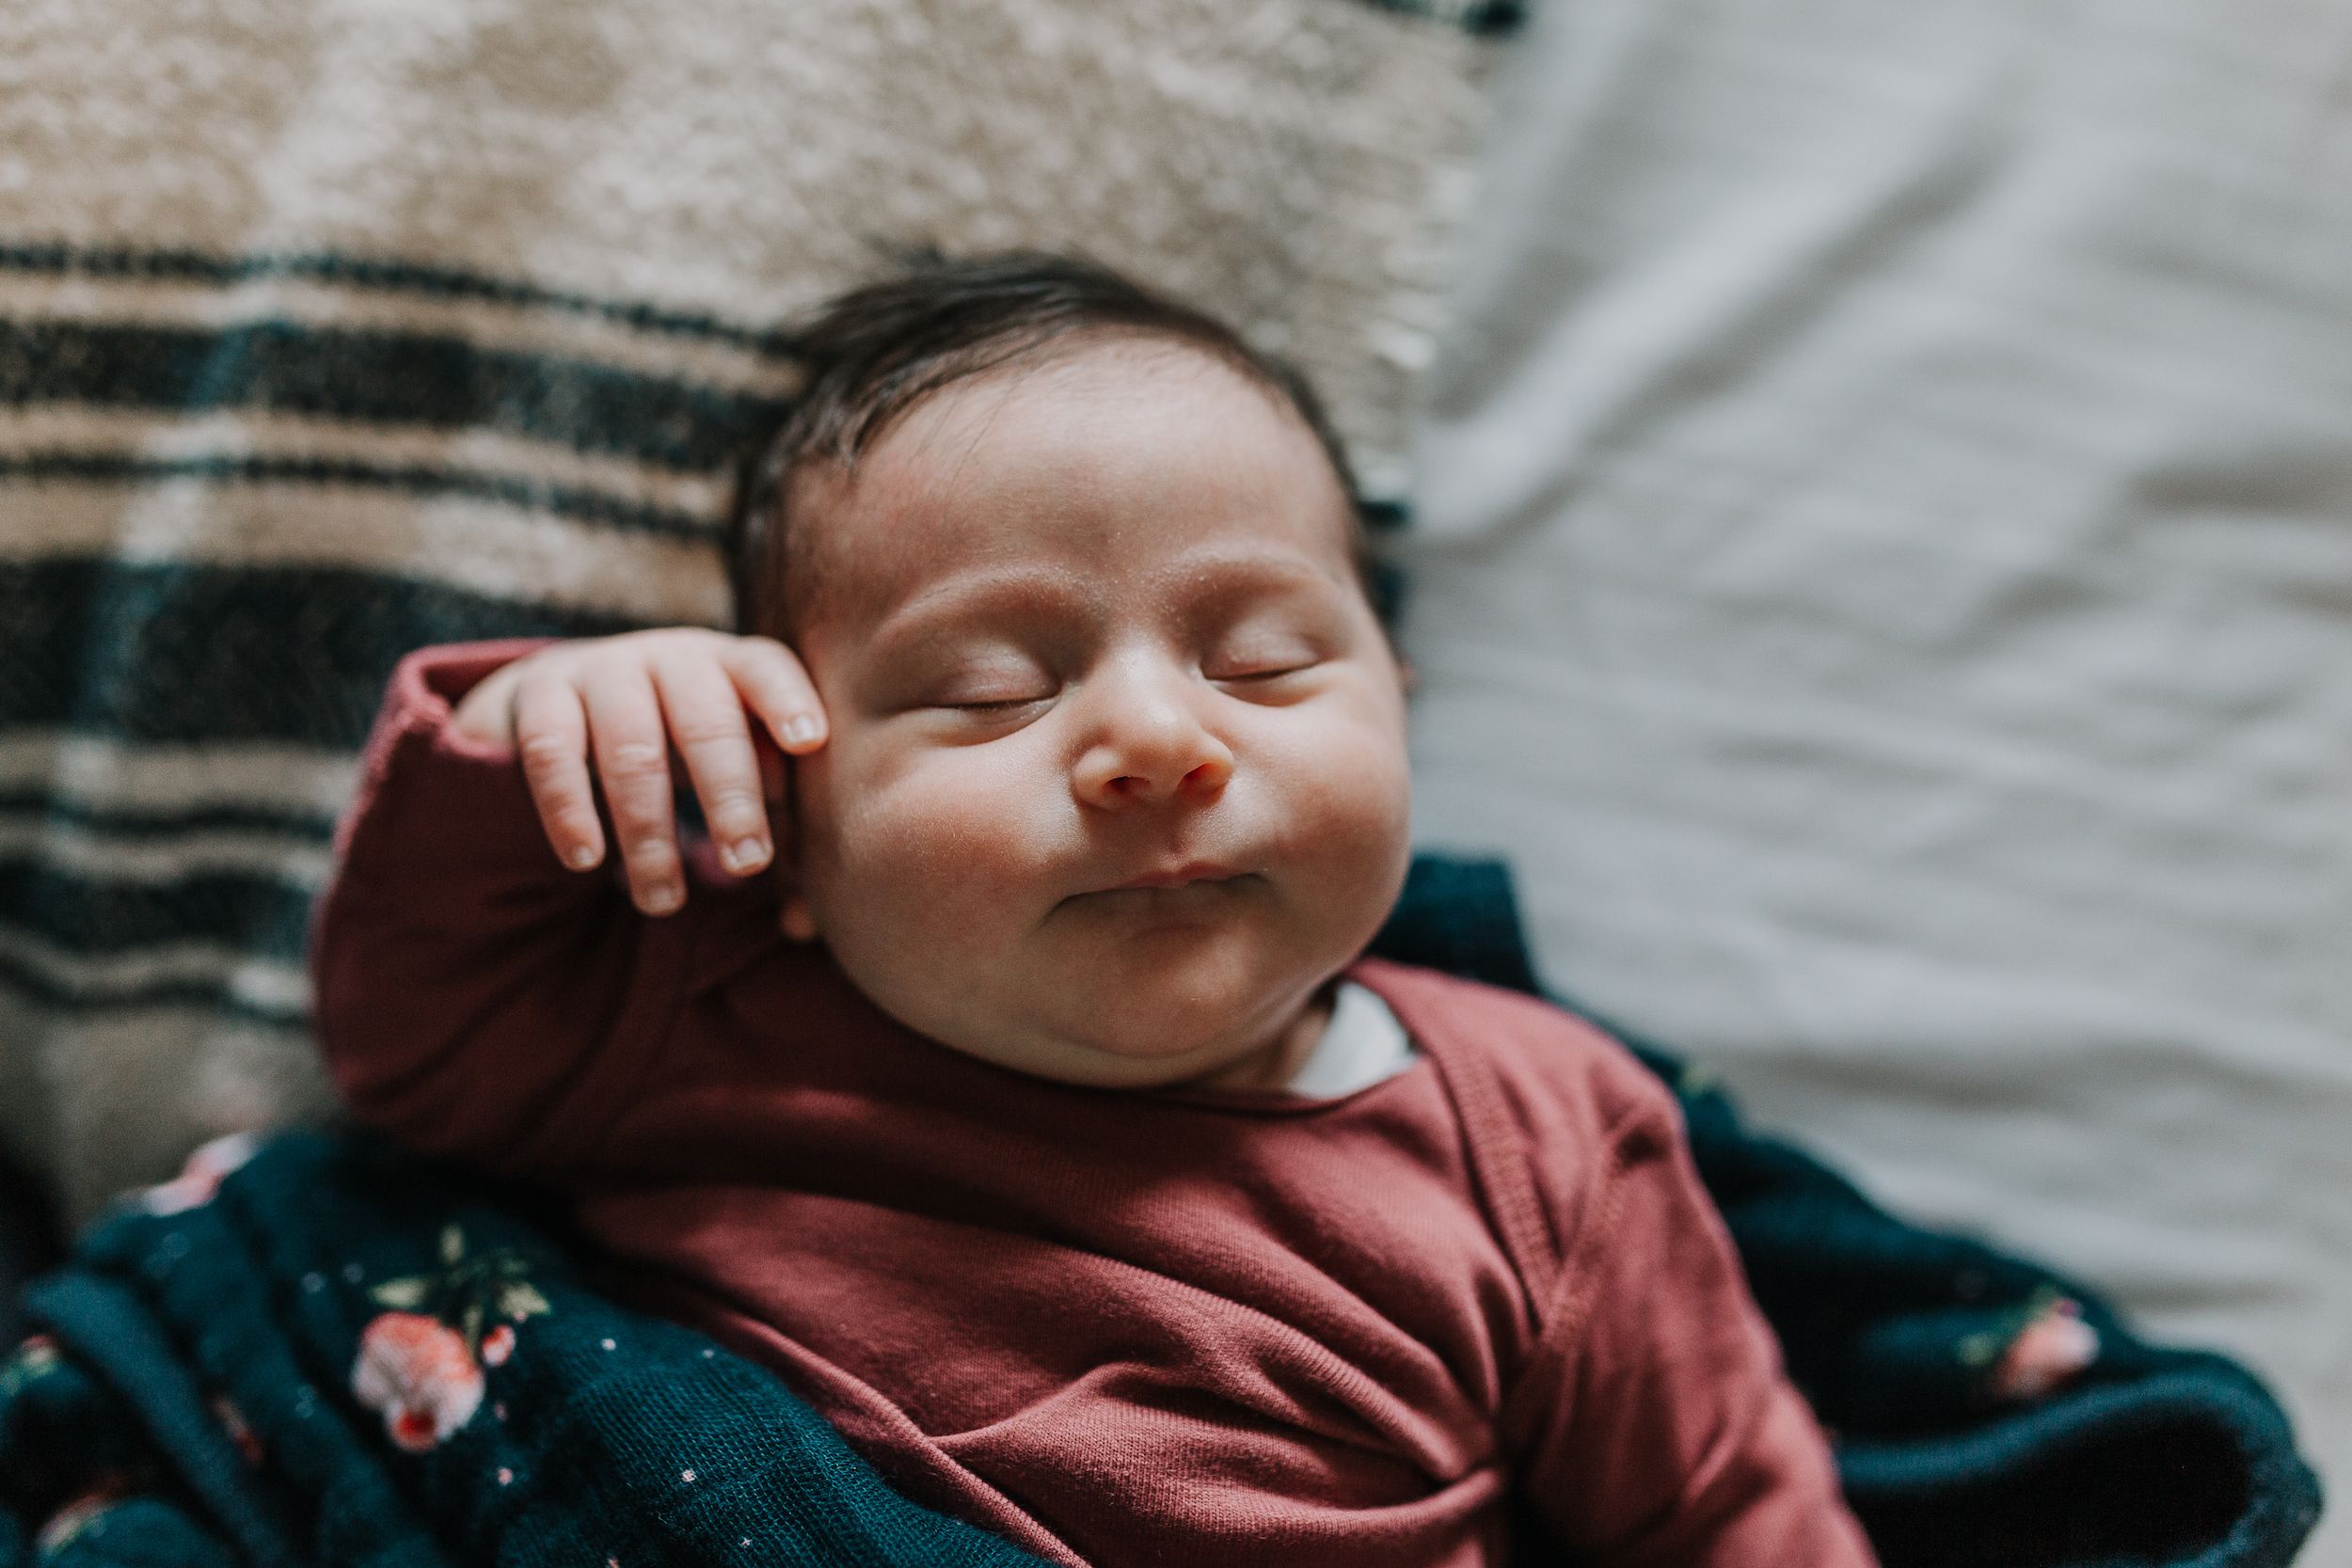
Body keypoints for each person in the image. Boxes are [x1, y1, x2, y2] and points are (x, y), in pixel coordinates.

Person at [312, 254, 1874, 1567]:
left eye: (1260, 661)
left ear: (1398, 703)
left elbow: (1729, 1516)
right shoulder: (704, 1010)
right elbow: (410, 1053)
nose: (1153, 741)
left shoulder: (1546, 1139)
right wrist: (526, 743)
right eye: (991, 688)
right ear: (790, 821)